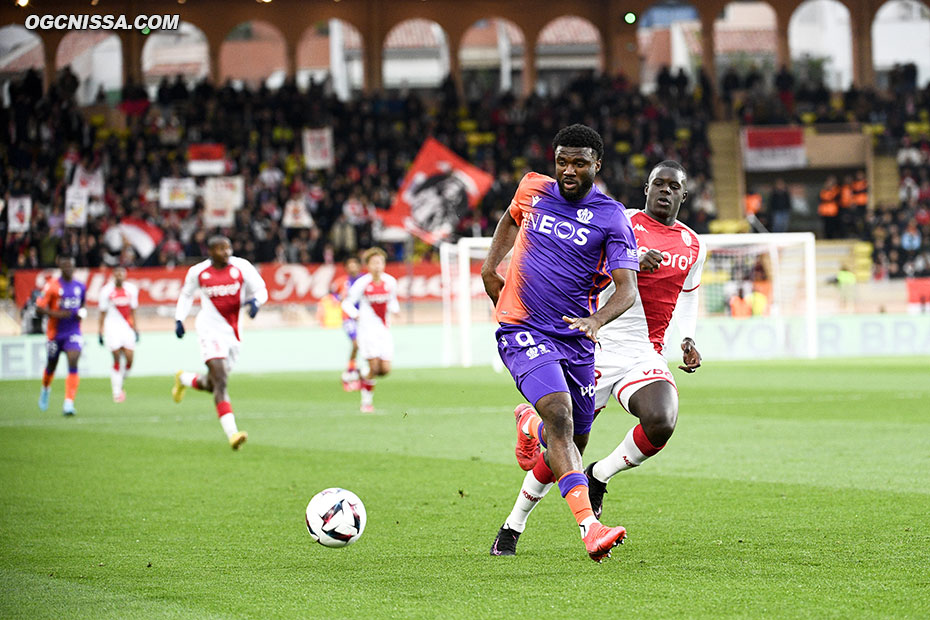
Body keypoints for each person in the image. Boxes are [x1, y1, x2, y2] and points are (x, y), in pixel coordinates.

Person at [493, 160, 705, 553]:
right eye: (657, 184)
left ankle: (601, 475)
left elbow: (688, 296)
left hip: (643, 351)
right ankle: (514, 522)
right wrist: (628, 263)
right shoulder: (618, 219)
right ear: (645, 188)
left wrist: (688, 338)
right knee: (565, 440)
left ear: (683, 194)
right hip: (596, 343)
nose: (664, 191)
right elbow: (581, 265)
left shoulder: (694, 243)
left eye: (673, 186)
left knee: (661, 420)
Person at [483, 124, 640, 562]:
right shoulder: (533, 188)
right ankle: (590, 529)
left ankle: (512, 524)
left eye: (579, 163)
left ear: (597, 165)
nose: (569, 171)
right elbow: (509, 219)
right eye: (562, 162)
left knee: (569, 441)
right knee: (559, 413)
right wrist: (490, 267)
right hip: (523, 327)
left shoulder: (611, 216)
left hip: (576, 340)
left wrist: (597, 319)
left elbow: (627, 290)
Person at [171, 236, 268, 450]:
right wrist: (180, 318)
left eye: (228, 247)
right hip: (209, 330)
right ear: (210, 251)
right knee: (222, 380)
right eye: (221, 248)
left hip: (233, 334)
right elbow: (186, 295)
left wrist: (256, 302)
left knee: (213, 383)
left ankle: (184, 379)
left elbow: (261, 290)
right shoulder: (198, 272)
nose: (226, 252)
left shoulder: (242, 267)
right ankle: (233, 434)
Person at [341, 247, 399, 413]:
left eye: (380, 262)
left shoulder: (390, 282)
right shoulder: (363, 283)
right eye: (373, 263)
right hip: (367, 331)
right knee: (374, 367)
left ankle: (361, 375)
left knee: (385, 370)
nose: (377, 266)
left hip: (384, 331)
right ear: (367, 265)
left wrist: (395, 310)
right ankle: (366, 403)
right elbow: (346, 303)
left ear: (384, 264)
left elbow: (393, 300)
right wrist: (356, 314)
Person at [36, 256, 87, 416]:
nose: (68, 269)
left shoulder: (80, 286)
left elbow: (82, 305)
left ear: (74, 267)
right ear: (61, 268)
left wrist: (80, 314)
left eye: (70, 266)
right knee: (52, 365)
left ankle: (69, 402)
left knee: (73, 360)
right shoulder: (52, 286)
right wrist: (58, 314)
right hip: (55, 333)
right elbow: (39, 309)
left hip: (73, 331)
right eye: (65, 266)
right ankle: (45, 388)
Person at [97, 267, 140, 402]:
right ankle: (117, 392)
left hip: (126, 327)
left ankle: (120, 381)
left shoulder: (132, 289)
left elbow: (133, 311)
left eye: (122, 274)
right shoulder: (105, 291)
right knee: (116, 357)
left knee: (129, 359)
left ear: (125, 276)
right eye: (117, 274)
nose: (119, 276)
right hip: (112, 327)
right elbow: (102, 313)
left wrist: (136, 329)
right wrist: (100, 330)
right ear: (113, 276)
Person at [335, 255, 364, 391]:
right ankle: (351, 370)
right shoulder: (343, 282)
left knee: (363, 346)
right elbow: (334, 294)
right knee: (356, 343)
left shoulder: (365, 280)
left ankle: (354, 371)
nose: (352, 267)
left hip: (364, 318)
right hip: (349, 318)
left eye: (355, 264)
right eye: (349, 265)